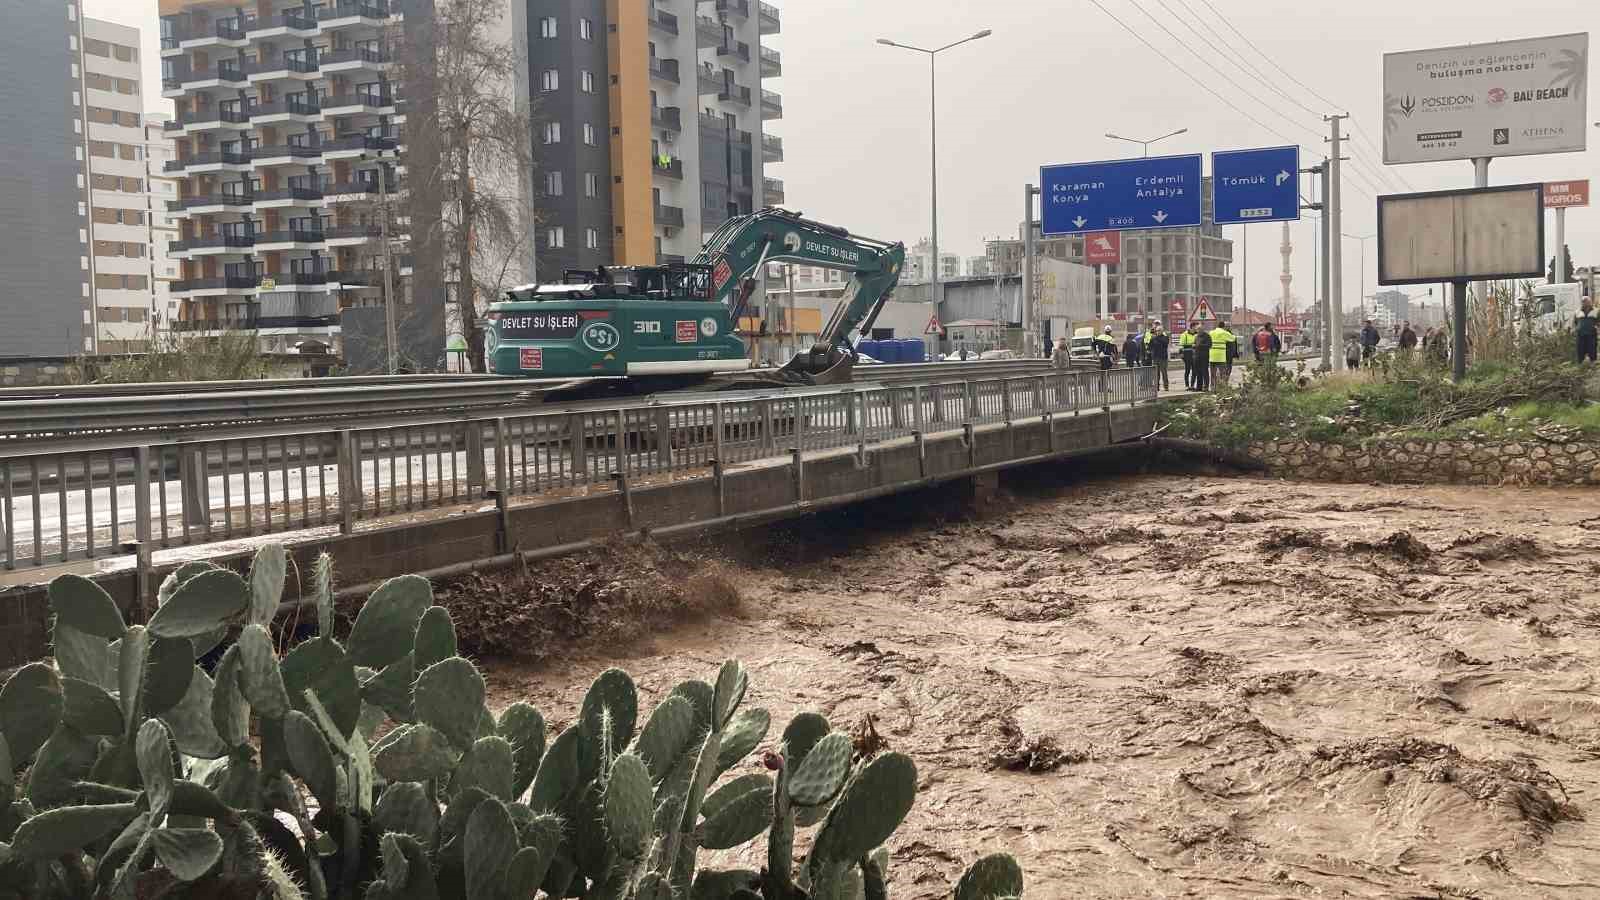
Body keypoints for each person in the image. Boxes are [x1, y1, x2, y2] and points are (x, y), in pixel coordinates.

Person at [1209, 319, 1234, 388]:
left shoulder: (1211, 332)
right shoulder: (1224, 332)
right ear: (1223, 327)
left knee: (1212, 373)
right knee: (1222, 373)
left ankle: (1213, 386)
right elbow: (1232, 338)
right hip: (1220, 356)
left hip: (1212, 356)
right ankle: (1221, 386)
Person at [1147, 323, 1170, 391]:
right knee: (1156, 374)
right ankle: (1156, 387)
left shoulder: (1165, 337)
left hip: (1163, 358)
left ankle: (1166, 386)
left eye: (1159, 330)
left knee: (1164, 373)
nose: (1158, 332)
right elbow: (1150, 346)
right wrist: (1149, 350)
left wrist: (1156, 337)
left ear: (1162, 331)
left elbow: (1165, 344)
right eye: (1157, 330)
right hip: (1155, 358)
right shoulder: (1153, 338)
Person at [1094, 324, 1118, 391]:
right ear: (1110, 331)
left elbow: (1094, 344)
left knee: (1102, 372)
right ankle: (1107, 388)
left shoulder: (1100, 337)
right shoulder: (1111, 338)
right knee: (1107, 373)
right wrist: (1115, 358)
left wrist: (1097, 352)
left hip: (1101, 357)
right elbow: (1114, 349)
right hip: (1107, 357)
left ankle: (1101, 388)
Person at [1192, 326, 1212, 391]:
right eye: (1197, 330)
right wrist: (1194, 346)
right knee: (1198, 372)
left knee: (1204, 371)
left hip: (1204, 356)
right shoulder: (1196, 336)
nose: (1198, 331)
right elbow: (1195, 344)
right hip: (1197, 356)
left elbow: (1209, 345)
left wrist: (1199, 345)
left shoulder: (1207, 336)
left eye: (1199, 330)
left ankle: (1206, 386)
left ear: (1202, 330)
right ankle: (1199, 387)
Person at [1179, 321, 1198, 388]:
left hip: (1195, 354)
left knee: (1194, 370)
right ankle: (1187, 385)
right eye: (1196, 326)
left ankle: (1192, 385)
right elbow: (1181, 345)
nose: (1197, 328)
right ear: (1192, 327)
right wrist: (1181, 353)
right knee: (1187, 370)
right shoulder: (1185, 334)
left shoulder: (1197, 334)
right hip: (1187, 354)